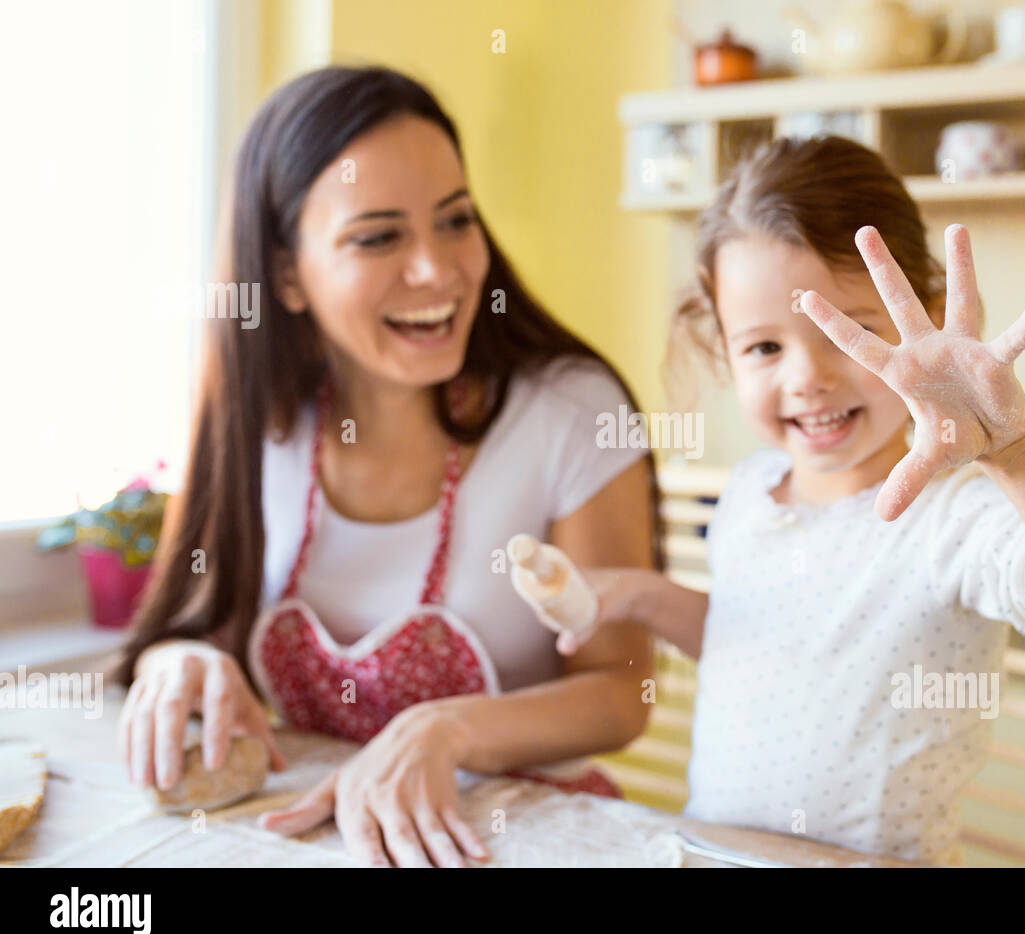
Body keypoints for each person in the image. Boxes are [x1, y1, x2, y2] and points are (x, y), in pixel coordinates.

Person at [554, 136, 1025, 865]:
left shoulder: (954, 519)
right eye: (763, 347)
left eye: (847, 335)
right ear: (719, 344)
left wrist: (1020, 447)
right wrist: (639, 596)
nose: (808, 378)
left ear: (932, 313)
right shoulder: (749, 493)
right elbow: (753, 642)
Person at [114, 66, 659, 868]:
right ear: (289, 272)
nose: (437, 271)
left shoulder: (570, 410)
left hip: (519, 838)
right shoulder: (255, 419)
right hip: (321, 840)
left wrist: (449, 728)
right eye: (378, 236)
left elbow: (623, 689)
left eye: (455, 220)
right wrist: (180, 660)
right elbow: (190, 626)